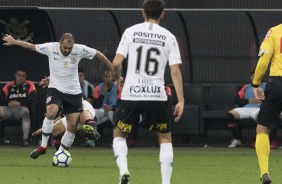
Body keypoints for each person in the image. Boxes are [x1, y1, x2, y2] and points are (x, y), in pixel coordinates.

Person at [2, 33, 112, 159]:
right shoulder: (50, 47)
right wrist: (15, 41)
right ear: (60, 42)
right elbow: (32, 46)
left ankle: (61, 153)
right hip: (55, 89)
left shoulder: (79, 50)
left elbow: (99, 54)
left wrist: (113, 68)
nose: (67, 50)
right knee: (51, 112)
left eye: (70, 48)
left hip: (74, 93)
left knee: (71, 127)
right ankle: (43, 146)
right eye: (65, 47)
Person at [111, 0, 184, 183]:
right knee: (165, 138)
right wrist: (181, 100)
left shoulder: (130, 32)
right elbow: (175, 71)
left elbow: (116, 63)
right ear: (162, 14)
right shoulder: (169, 36)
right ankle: (165, 182)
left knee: (119, 135)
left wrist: (118, 79)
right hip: (156, 94)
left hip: (131, 94)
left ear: (143, 12)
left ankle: (124, 171)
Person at [251, 24, 282, 184]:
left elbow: (263, 61)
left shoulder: (275, 31)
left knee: (263, 127)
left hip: (278, 84)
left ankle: (264, 172)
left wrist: (256, 84)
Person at [32, 99, 98, 151]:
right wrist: (43, 129)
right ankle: (60, 154)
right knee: (54, 131)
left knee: (84, 115)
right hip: (72, 115)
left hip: (83, 107)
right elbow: (61, 116)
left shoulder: (71, 90)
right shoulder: (60, 99)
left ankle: (92, 130)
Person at [226, 70, 266, 148]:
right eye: (253, 76)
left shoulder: (266, 86)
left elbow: (273, 99)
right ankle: (236, 138)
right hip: (246, 108)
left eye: (257, 76)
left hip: (259, 109)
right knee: (229, 115)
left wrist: (262, 102)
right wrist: (248, 100)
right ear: (250, 77)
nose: (255, 78)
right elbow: (236, 99)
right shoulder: (246, 86)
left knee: (262, 117)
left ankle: (258, 140)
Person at [0, 66, 37, 146]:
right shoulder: (8, 85)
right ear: (15, 75)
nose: (21, 78)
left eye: (23, 76)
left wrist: (20, 103)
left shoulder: (29, 84)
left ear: (26, 77)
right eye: (19, 75)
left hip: (20, 109)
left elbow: (33, 98)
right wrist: (8, 103)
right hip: (8, 108)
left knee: (25, 111)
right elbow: (1, 97)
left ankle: (25, 140)